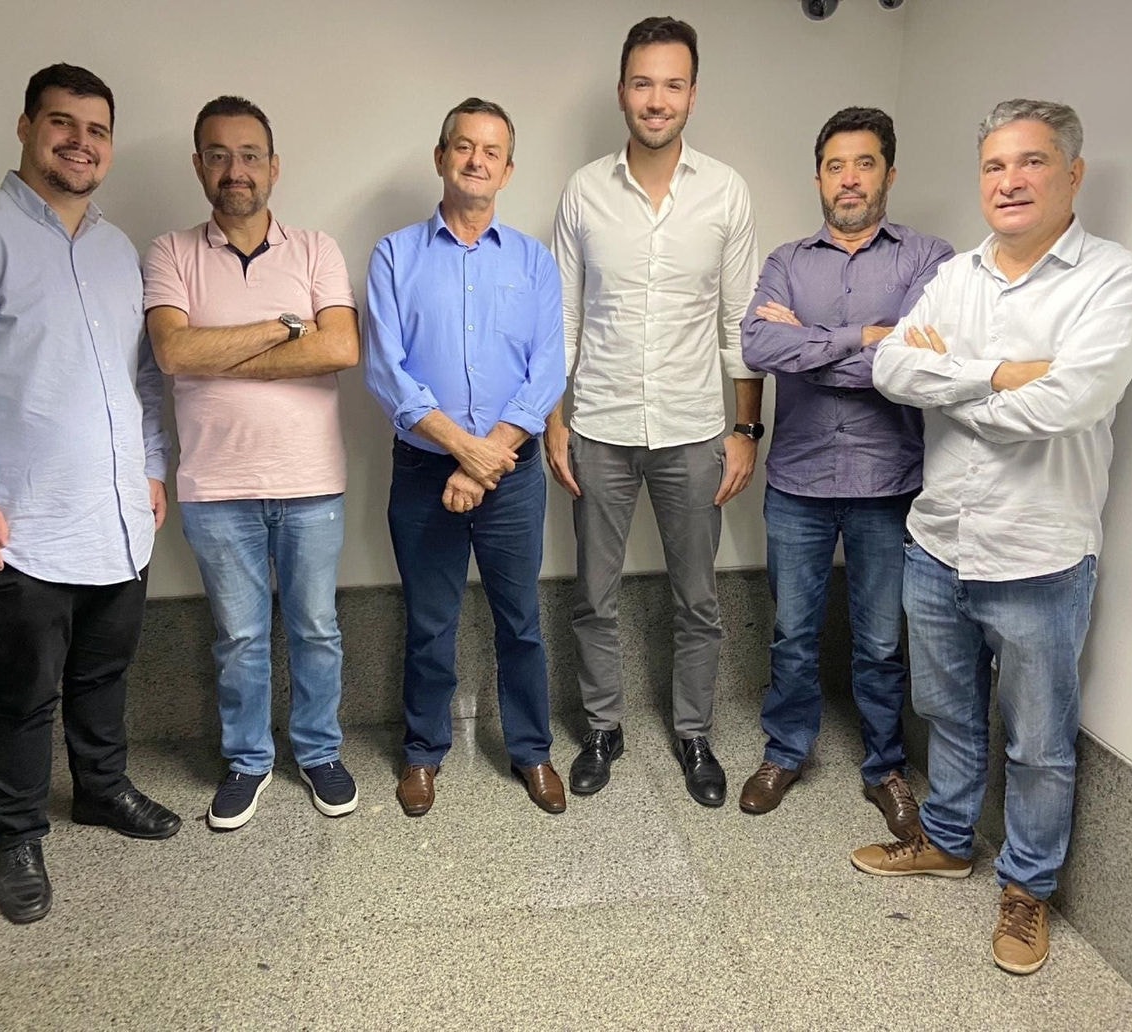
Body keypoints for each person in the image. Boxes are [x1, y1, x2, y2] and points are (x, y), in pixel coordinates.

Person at [851, 99, 1132, 975]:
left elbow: (1071, 403)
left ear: (1072, 174)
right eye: (994, 166)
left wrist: (952, 383)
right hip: (939, 543)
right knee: (946, 713)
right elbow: (889, 365)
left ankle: (1027, 889)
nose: (1010, 181)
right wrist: (999, 372)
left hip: (1038, 558)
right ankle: (946, 839)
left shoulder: (1115, 281)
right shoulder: (958, 275)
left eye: (1029, 164)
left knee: (1038, 743)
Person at [0, 64, 180, 925]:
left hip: (116, 513)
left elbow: (139, 377)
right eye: (62, 124)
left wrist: (152, 466)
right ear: (25, 127)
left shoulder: (114, 247)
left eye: (96, 130)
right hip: (14, 523)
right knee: (25, 690)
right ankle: (17, 836)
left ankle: (100, 789)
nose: (80, 142)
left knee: (105, 670)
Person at [546, 16, 761, 807]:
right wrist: (552, 417)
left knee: (697, 597)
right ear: (622, 92)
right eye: (643, 82)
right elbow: (562, 320)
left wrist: (744, 431)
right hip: (597, 424)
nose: (657, 98)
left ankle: (695, 733)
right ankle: (603, 728)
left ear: (693, 94)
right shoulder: (583, 191)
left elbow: (741, 325)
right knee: (592, 595)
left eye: (673, 83)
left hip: (694, 429)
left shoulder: (727, 191)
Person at [144, 96, 361, 831]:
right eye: (218, 154)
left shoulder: (316, 249)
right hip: (216, 487)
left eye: (249, 155)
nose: (235, 170)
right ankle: (247, 760)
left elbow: (340, 349)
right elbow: (174, 352)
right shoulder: (170, 253)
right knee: (238, 637)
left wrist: (220, 352)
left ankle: (319, 751)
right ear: (199, 165)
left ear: (274, 166)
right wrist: (283, 329)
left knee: (317, 628)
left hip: (311, 483)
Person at [740, 107, 953, 834]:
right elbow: (758, 349)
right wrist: (864, 338)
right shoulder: (786, 261)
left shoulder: (930, 260)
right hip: (796, 480)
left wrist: (816, 343)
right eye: (836, 165)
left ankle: (886, 768)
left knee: (881, 640)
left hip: (888, 483)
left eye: (864, 164)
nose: (849, 179)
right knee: (792, 631)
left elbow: (914, 368)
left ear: (889, 173)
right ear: (819, 177)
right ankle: (785, 750)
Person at [364, 98, 567, 817]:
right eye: (463, 146)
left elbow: (549, 370)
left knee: (520, 620)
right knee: (429, 621)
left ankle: (532, 751)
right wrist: (463, 451)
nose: (476, 160)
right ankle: (423, 755)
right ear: (440, 156)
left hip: (512, 474)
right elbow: (387, 370)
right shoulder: (394, 255)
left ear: (508, 169)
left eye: (491, 150)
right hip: (426, 472)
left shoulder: (535, 261)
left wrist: (490, 457)